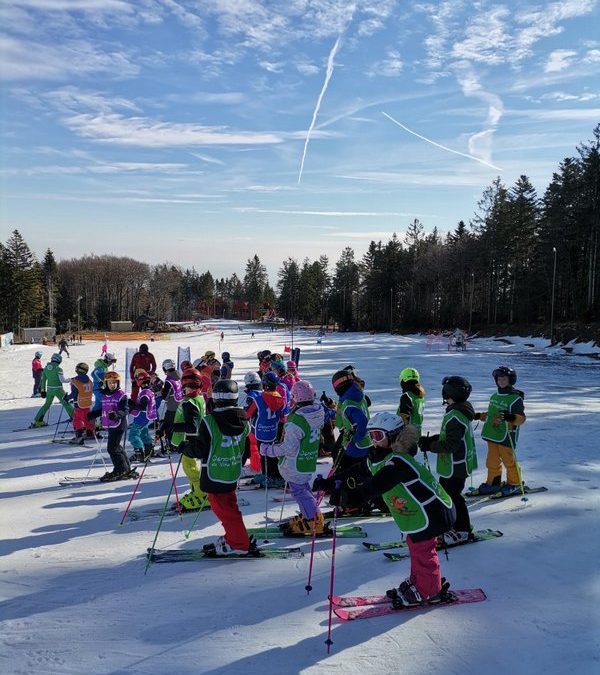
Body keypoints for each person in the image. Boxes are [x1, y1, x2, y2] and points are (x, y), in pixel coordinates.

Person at [324, 412, 455, 607]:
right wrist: (331, 482)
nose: (374, 442)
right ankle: (419, 581)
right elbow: (358, 470)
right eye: (371, 436)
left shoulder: (398, 463)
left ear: (393, 436)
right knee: (414, 544)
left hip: (433, 511)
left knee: (423, 550)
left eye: (378, 436)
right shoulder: (379, 457)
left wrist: (348, 498)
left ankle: (430, 591)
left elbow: (375, 486)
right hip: (419, 512)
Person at [181, 380, 252, 555]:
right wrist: (237, 463)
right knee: (229, 506)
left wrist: (184, 447)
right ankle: (234, 536)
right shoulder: (244, 420)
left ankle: (239, 543)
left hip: (214, 473)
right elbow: (246, 449)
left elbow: (199, 449)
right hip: (232, 471)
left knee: (224, 510)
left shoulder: (210, 421)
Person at [260, 380, 325, 534]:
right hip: (307, 460)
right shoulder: (317, 412)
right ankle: (310, 515)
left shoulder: (297, 421)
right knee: (303, 489)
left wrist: (269, 450)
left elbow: (288, 447)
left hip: (294, 462)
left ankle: (313, 520)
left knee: (300, 491)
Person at [418, 376, 476, 544]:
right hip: (454, 464)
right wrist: (430, 440)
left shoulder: (456, 415)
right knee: (449, 495)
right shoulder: (457, 411)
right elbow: (448, 437)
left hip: (456, 466)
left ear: (448, 394)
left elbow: (451, 445)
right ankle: (455, 525)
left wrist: (431, 446)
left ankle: (462, 530)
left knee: (454, 497)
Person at [475, 366, 526, 496]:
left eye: (504, 378)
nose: (501, 381)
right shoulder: (494, 396)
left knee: (508, 460)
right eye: (499, 379)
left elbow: (521, 419)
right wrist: (479, 416)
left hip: (506, 435)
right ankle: (494, 482)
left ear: (510, 380)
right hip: (492, 434)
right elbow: (491, 414)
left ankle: (514, 483)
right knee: (492, 460)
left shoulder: (515, 398)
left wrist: (511, 417)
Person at [166, 368, 208, 510]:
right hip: (190, 441)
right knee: (189, 468)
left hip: (190, 441)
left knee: (190, 468)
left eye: (191, 387)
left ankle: (201, 495)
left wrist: (172, 427)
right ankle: (197, 491)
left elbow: (192, 427)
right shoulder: (195, 399)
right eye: (186, 387)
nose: (187, 390)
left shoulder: (190, 403)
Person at [88, 371, 137, 481]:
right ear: (106, 383)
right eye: (110, 383)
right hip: (111, 423)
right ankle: (125, 467)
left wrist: (116, 415)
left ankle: (120, 469)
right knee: (117, 446)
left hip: (118, 424)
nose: (112, 385)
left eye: (115, 382)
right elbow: (105, 409)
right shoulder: (105, 394)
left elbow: (125, 410)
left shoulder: (121, 395)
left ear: (118, 383)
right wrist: (94, 414)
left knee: (112, 448)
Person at [245, 371, 286, 487]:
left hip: (261, 431)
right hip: (273, 430)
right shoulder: (279, 397)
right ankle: (271, 474)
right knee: (271, 453)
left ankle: (270, 476)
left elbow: (248, 413)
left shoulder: (259, 398)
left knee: (263, 453)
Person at [331, 368, 371, 471]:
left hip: (356, 447)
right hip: (363, 441)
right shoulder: (355, 393)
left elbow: (363, 422)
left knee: (348, 468)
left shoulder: (349, 404)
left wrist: (355, 438)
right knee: (336, 452)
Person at [30, 354, 74, 427]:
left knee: (47, 404)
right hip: (58, 389)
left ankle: (37, 420)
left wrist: (43, 390)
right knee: (66, 403)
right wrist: (72, 379)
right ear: (59, 360)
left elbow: (43, 380)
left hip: (50, 390)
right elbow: (62, 380)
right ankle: (75, 418)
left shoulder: (46, 368)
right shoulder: (58, 369)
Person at [128, 370, 157, 462]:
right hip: (147, 417)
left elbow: (142, 406)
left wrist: (132, 406)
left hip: (142, 417)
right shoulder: (149, 391)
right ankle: (149, 451)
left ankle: (139, 455)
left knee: (133, 435)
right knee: (144, 434)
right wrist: (133, 403)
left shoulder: (145, 393)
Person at [157, 359, 183, 452]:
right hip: (180, 404)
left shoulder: (169, 379)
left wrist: (160, 391)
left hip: (172, 406)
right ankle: (176, 444)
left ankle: (172, 445)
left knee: (167, 425)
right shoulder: (179, 375)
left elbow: (165, 395)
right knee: (176, 425)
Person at [67, 362, 97, 444]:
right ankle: (90, 432)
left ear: (77, 370)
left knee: (77, 419)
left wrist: (66, 398)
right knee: (87, 418)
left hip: (79, 404)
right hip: (87, 403)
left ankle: (79, 436)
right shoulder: (89, 380)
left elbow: (74, 394)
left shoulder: (75, 382)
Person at [243, 371, 263, 473]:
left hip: (254, 424)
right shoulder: (263, 392)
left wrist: (244, 412)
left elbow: (249, 411)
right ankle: (258, 465)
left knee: (254, 446)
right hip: (263, 423)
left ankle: (256, 467)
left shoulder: (251, 395)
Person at [396, 367, 425, 434]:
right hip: (417, 434)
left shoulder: (407, 396)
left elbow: (404, 417)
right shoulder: (420, 397)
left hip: (407, 438)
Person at [91, 352, 117, 419]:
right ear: (106, 360)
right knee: (106, 404)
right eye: (110, 362)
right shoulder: (100, 367)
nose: (111, 364)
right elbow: (93, 374)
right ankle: (102, 421)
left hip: (101, 389)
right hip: (98, 389)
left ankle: (90, 422)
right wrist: (99, 381)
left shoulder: (105, 367)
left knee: (98, 406)